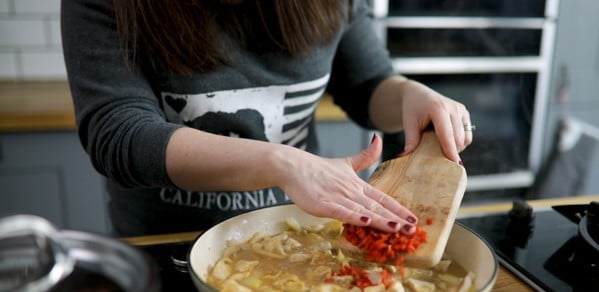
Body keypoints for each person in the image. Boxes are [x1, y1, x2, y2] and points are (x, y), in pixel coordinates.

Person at [61, 0, 474, 238]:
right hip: (169, 245)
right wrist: (283, 162)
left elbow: (367, 82)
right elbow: (121, 136)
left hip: (301, 233)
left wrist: (410, 95)